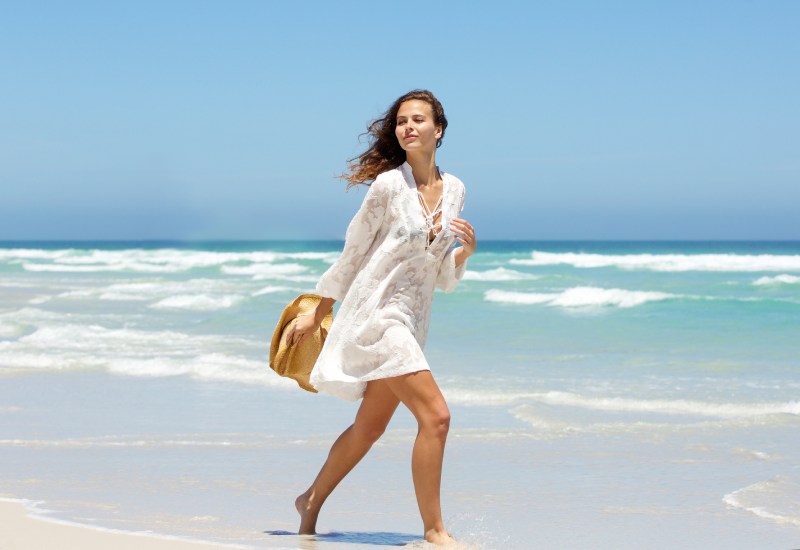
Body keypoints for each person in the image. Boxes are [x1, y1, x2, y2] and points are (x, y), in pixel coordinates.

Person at [288, 89, 476, 546]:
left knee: (370, 427)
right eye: (401, 122)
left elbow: (440, 279)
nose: (407, 127)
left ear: (439, 130)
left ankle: (310, 499)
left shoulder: (456, 190)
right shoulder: (389, 186)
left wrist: (465, 253)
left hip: (412, 321)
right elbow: (353, 254)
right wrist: (317, 309)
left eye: (418, 120)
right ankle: (435, 531)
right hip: (377, 317)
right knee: (437, 417)